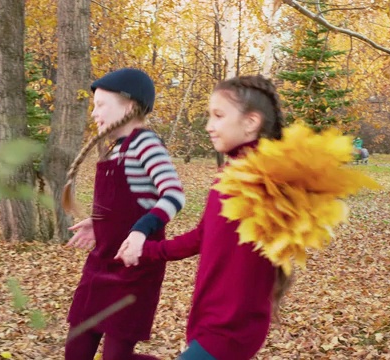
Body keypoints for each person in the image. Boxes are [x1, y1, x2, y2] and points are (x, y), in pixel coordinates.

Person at [117, 75, 292, 360]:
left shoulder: (262, 180)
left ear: (251, 123)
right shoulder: (231, 174)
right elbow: (202, 236)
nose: (209, 126)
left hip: (232, 328)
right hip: (210, 319)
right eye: (209, 116)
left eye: (219, 116)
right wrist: (147, 250)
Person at [61, 68, 186, 360]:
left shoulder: (146, 144)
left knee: (117, 358)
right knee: (76, 350)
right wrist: (99, 224)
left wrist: (140, 231)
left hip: (134, 271)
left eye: (101, 105)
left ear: (129, 106)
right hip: (100, 265)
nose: (94, 113)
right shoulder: (114, 150)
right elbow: (127, 203)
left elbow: (173, 194)